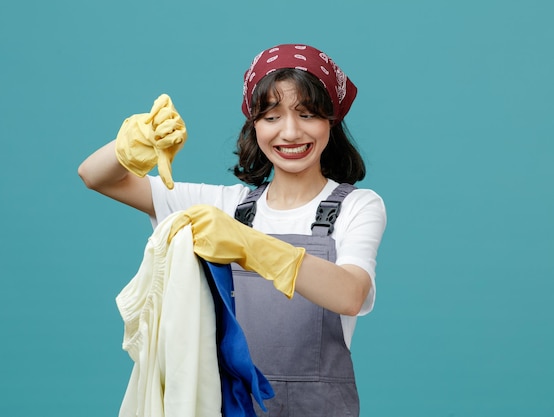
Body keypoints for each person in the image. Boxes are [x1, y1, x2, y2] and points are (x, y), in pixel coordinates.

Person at [78, 43, 387, 416]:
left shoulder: (357, 206)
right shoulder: (226, 206)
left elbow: (350, 293)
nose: (290, 132)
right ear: (253, 125)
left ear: (330, 122)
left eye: (307, 114)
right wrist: (133, 144)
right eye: (271, 117)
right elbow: (96, 177)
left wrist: (248, 243)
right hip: (233, 407)